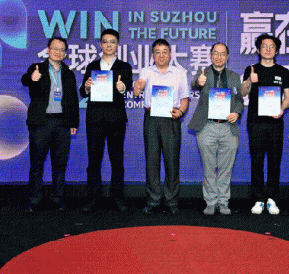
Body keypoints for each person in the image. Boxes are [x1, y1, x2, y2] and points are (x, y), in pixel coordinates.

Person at [21, 37, 79, 212]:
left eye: (62, 49)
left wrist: (74, 122)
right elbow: (24, 80)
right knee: (37, 163)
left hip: (62, 123)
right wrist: (32, 78)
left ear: (65, 53)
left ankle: (57, 198)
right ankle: (35, 198)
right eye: (55, 48)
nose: (58, 52)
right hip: (41, 122)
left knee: (60, 164)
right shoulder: (37, 68)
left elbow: (73, 100)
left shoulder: (68, 73)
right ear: (48, 49)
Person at [133, 39, 190, 215]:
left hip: (171, 119)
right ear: (153, 55)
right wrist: (137, 88)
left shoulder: (179, 73)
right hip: (152, 118)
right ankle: (153, 201)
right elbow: (139, 86)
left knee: (172, 161)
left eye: (165, 51)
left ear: (170, 54)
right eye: (157, 52)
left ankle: (172, 201)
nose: (161, 55)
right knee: (152, 161)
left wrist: (181, 112)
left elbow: (185, 98)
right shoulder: (146, 71)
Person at [79, 29, 133, 213]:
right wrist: (87, 87)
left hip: (116, 119)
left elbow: (128, 86)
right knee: (94, 160)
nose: (109, 45)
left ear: (117, 45)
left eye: (112, 42)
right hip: (95, 119)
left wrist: (122, 87)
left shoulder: (124, 66)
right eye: (105, 41)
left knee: (117, 159)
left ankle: (117, 196)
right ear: (101, 44)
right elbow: (82, 91)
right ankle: (93, 197)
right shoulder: (92, 66)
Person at [189, 43, 244, 215]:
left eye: (222, 54)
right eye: (215, 53)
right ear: (210, 55)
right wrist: (198, 82)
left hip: (228, 127)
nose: (219, 57)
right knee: (209, 168)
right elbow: (194, 84)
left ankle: (223, 202)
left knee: (226, 168)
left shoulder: (234, 76)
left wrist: (237, 112)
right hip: (207, 126)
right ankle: (211, 202)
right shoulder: (203, 73)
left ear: (227, 57)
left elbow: (239, 100)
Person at [241, 33, 289, 215]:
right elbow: (243, 92)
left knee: (274, 161)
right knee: (256, 161)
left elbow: (288, 97)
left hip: (275, 123)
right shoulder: (251, 69)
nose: (268, 49)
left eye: (272, 47)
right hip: (256, 123)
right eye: (264, 46)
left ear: (276, 51)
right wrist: (250, 80)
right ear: (258, 49)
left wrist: (282, 108)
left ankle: (272, 199)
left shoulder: (283, 72)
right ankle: (258, 199)